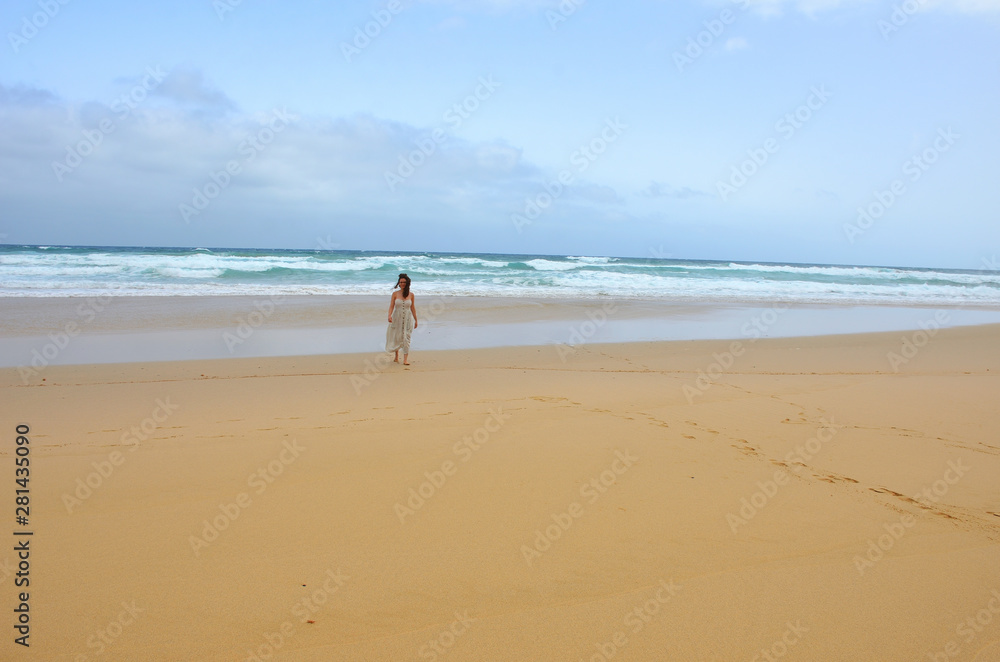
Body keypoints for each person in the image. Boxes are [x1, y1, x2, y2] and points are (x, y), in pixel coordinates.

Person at [386, 273, 417, 365]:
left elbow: (413, 308)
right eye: (401, 282)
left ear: (407, 283)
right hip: (397, 317)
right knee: (397, 336)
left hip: (408, 318)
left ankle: (405, 359)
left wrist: (416, 320)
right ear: (398, 283)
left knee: (406, 337)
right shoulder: (395, 294)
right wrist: (389, 315)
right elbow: (391, 306)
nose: (402, 283)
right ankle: (396, 357)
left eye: (404, 282)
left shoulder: (411, 295)